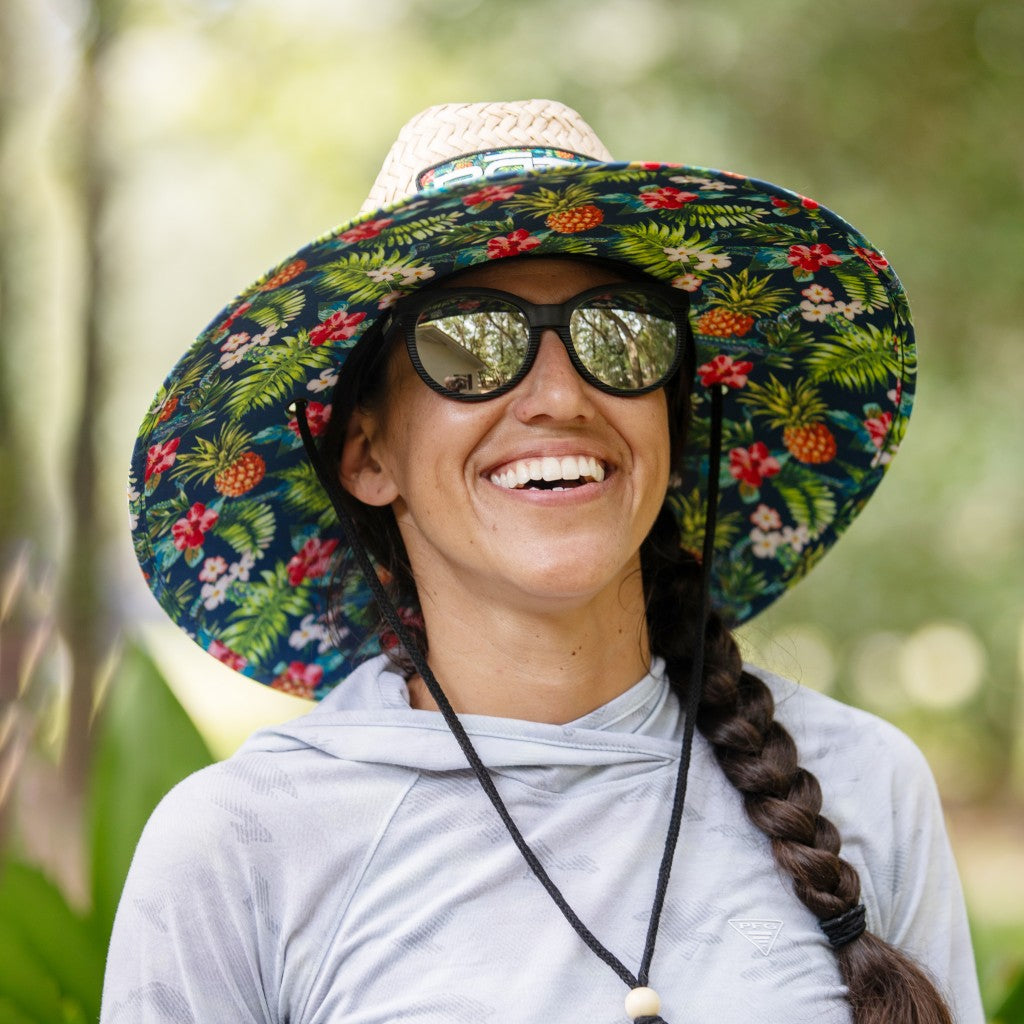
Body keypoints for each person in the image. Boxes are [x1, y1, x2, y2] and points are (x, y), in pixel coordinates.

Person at [107, 99, 983, 1023]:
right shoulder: (245, 844)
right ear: (368, 456)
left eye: (621, 336)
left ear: (671, 428)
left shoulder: (866, 787)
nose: (562, 395)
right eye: (467, 345)